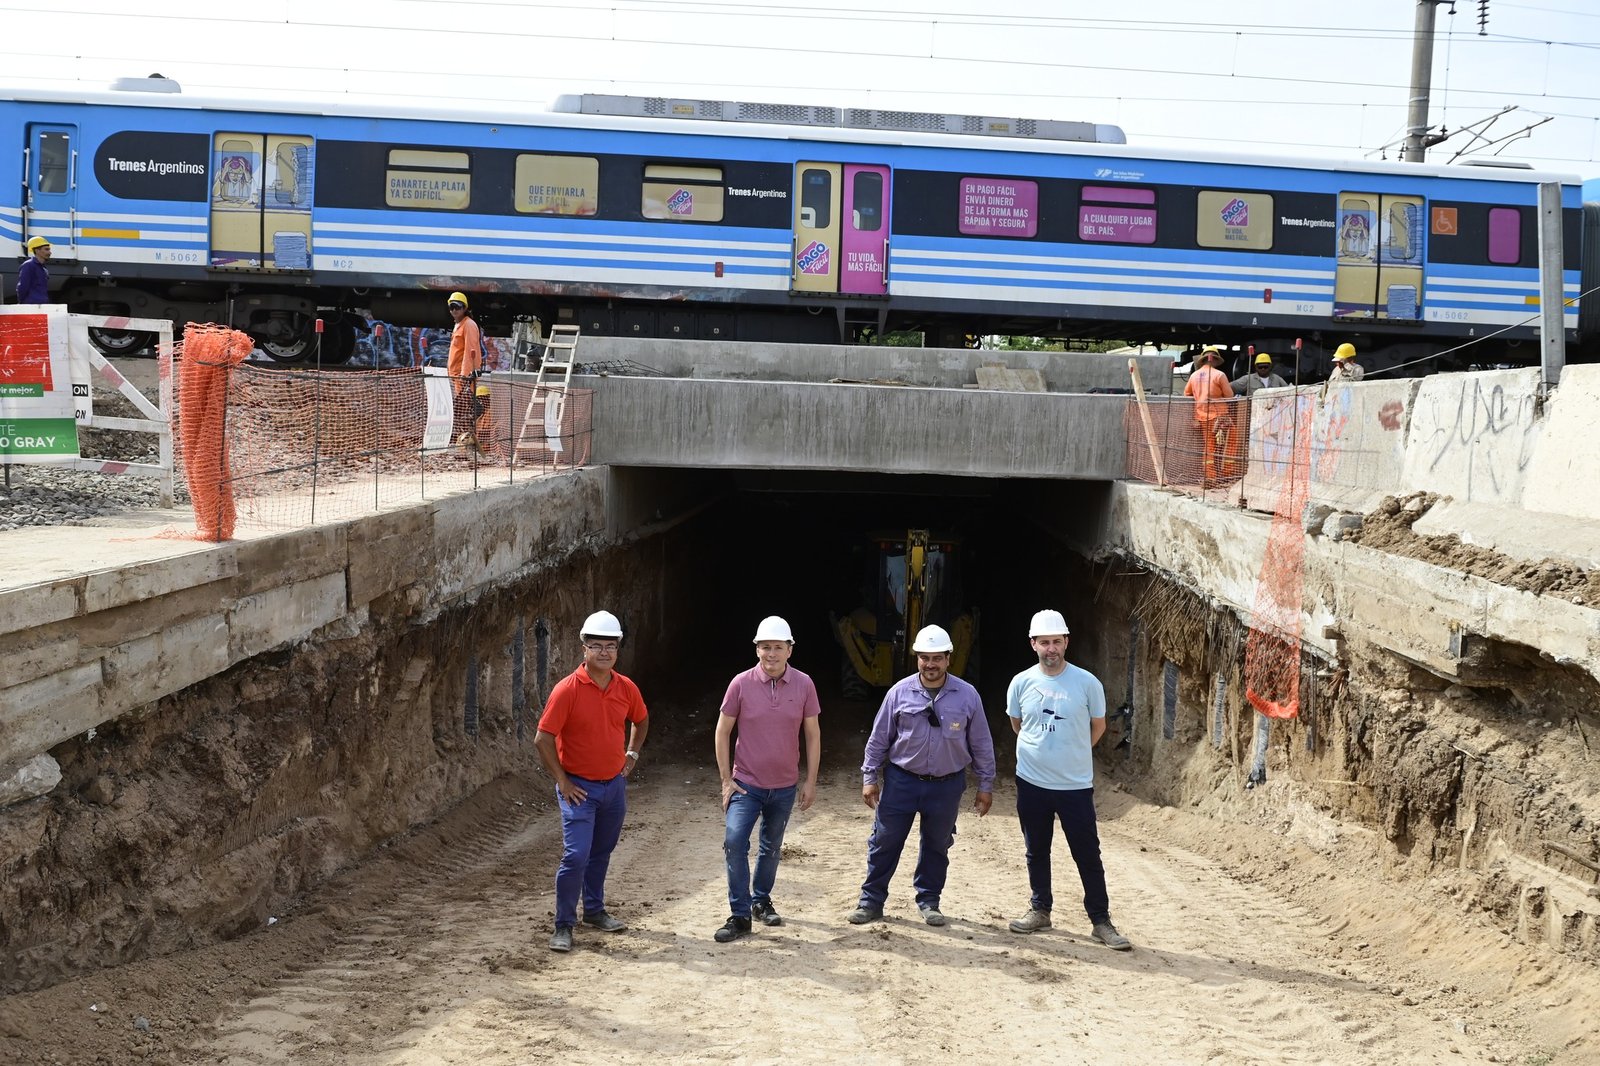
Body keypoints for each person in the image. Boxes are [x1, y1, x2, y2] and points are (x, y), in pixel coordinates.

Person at [848, 624, 995, 927]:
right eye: (924, 658)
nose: (930, 664)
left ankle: (929, 901)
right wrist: (869, 778)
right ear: (916, 657)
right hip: (902, 781)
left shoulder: (967, 696)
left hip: (946, 785)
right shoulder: (899, 693)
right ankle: (871, 902)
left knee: (937, 844)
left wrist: (985, 785)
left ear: (948, 659)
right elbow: (879, 739)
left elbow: (981, 743)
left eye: (937, 658)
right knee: (885, 840)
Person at [1006, 609, 1132, 951]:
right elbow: (1018, 726)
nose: (1051, 649)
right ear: (1033, 644)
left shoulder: (1087, 683)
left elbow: (1099, 726)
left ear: (1066, 643)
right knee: (1036, 849)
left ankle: (1100, 920)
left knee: (1087, 853)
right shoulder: (1021, 683)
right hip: (1032, 782)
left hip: (1074, 785)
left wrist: (1072, 751)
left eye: (1057, 642)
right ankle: (1040, 910)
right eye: (1044, 642)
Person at [534, 610, 649, 953]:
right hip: (579, 790)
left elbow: (641, 721)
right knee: (576, 855)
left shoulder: (625, 687)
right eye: (596, 645)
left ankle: (595, 911)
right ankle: (563, 925)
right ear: (583, 648)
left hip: (613, 786)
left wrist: (632, 755)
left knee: (601, 851)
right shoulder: (567, 690)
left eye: (610, 646)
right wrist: (563, 782)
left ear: (617, 649)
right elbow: (543, 738)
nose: (604, 652)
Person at [712, 616, 822, 943]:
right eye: (764, 647)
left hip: (785, 786)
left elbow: (813, 735)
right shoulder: (740, 684)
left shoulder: (804, 685)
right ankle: (740, 914)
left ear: (790, 649)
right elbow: (722, 731)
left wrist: (811, 781)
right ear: (756, 649)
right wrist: (725, 780)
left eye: (777, 647)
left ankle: (761, 901)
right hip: (745, 785)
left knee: (771, 848)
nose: (770, 654)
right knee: (734, 842)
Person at [1183, 345, 1236, 485]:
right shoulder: (1219, 375)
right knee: (1229, 444)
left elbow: (1186, 394)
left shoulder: (1194, 376)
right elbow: (1229, 396)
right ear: (1215, 359)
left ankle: (1211, 477)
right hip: (1221, 417)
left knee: (1209, 447)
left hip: (1202, 417)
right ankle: (1226, 475)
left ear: (1203, 359)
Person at [445, 291, 485, 448]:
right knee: (463, 412)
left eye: (458, 307)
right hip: (457, 377)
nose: (454, 310)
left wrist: (465, 374)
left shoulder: (468, 324)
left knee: (465, 412)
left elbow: (471, 349)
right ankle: (466, 445)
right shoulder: (459, 325)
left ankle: (469, 445)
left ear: (465, 308)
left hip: (464, 379)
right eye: (451, 306)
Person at [16, 237, 51, 304]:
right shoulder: (28, 265)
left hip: (42, 305)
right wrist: (22, 303)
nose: (50, 252)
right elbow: (22, 287)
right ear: (37, 250)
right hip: (31, 306)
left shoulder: (43, 268)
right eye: (46, 249)